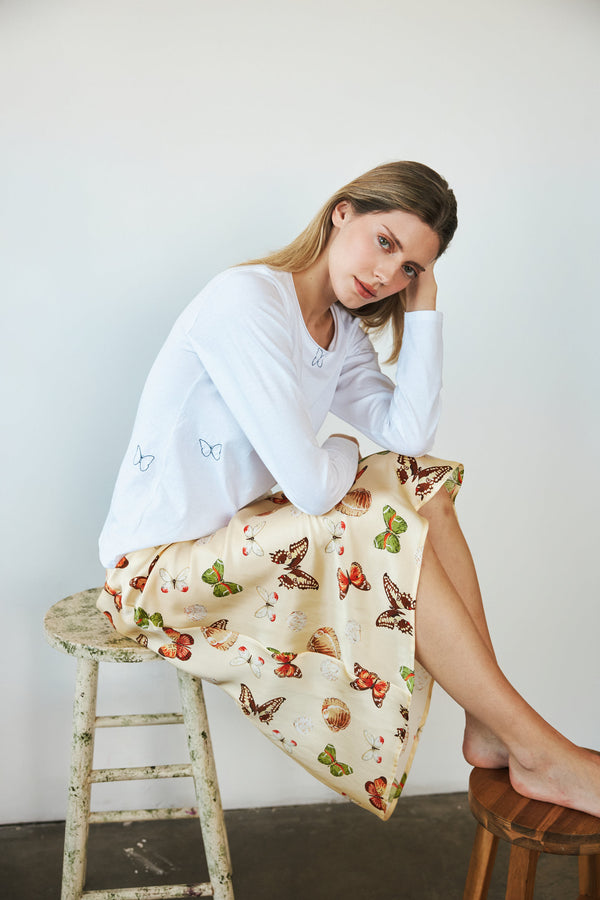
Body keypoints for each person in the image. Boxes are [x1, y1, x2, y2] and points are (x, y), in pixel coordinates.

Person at [98, 161, 600, 822]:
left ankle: (491, 726)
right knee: (360, 510)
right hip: (155, 574)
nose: (387, 277)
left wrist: (424, 310)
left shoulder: (339, 332)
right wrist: (339, 450)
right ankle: (538, 747)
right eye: (385, 243)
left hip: (230, 543)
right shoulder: (246, 301)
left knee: (420, 487)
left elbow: (410, 439)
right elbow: (311, 488)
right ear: (343, 213)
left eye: (410, 270)